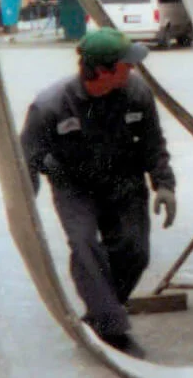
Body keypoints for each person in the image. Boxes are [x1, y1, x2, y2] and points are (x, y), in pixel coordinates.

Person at [20, 28, 177, 358]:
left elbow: (152, 143)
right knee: (84, 244)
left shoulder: (136, 93)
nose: (132, 70)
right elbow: (27, 161)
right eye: (126, 64)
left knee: (135, 251)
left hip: (124, 182)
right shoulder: (50, 106)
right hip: (74, 186)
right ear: (104, 70)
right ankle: (113, 330)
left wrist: (164, 184)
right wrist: (24, 208)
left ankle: (102, 313)